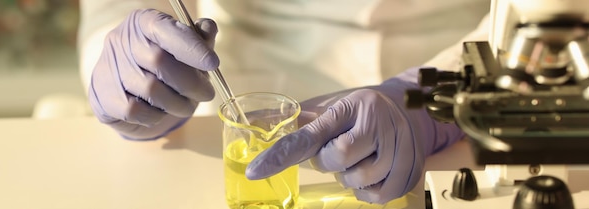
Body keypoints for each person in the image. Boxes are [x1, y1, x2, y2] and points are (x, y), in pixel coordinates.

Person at [79, 0, 490, 204]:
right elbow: (113, 9)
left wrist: (434, 97)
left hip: (446, 82)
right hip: (239, 80)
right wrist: (139, 70)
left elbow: (531, 16)